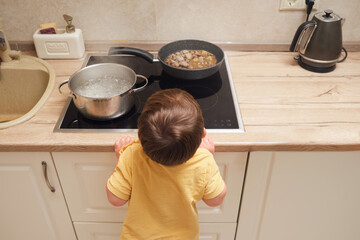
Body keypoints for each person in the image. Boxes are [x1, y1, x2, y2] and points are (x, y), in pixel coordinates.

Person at [106, 88, 227, 239]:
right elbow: (215, 200)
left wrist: (120, 157)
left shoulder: (131, 154)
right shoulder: (204, 160)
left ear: (139, 134)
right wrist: (208, 155)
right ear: (202, 134)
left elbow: (115, 200)